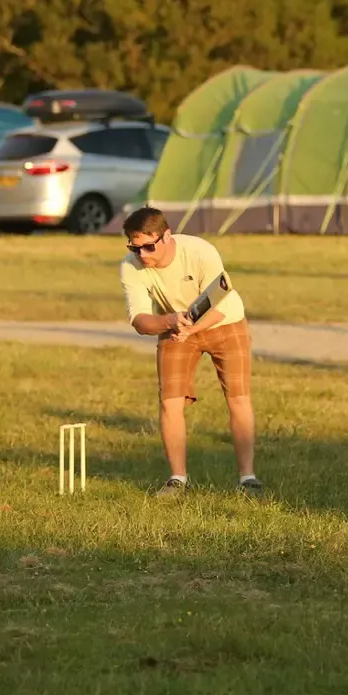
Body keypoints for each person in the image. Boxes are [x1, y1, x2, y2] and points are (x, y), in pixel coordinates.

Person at [118, 206, 261, 499]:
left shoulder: (199, 251)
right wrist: (170, 322)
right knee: (170, 400)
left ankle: (248, 478)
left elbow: (219, 304)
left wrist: (191, 329)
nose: (142, 255)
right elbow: (140, 321)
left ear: (166, 236)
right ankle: (177, 480)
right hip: (174, 325)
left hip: (225, 322)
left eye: (148, 246)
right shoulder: (130, 266)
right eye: (135, 248)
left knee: (238, 396)